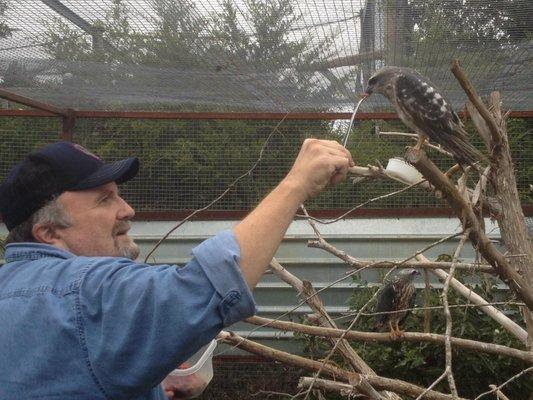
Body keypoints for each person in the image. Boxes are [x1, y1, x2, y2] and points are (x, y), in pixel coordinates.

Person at [0, 139, 354, 399]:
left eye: (118, 194)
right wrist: (296, 185)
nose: (128, 210)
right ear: (48, 232)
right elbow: (205, 290)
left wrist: (147, 384)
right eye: (104, 200)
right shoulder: (85, 290)